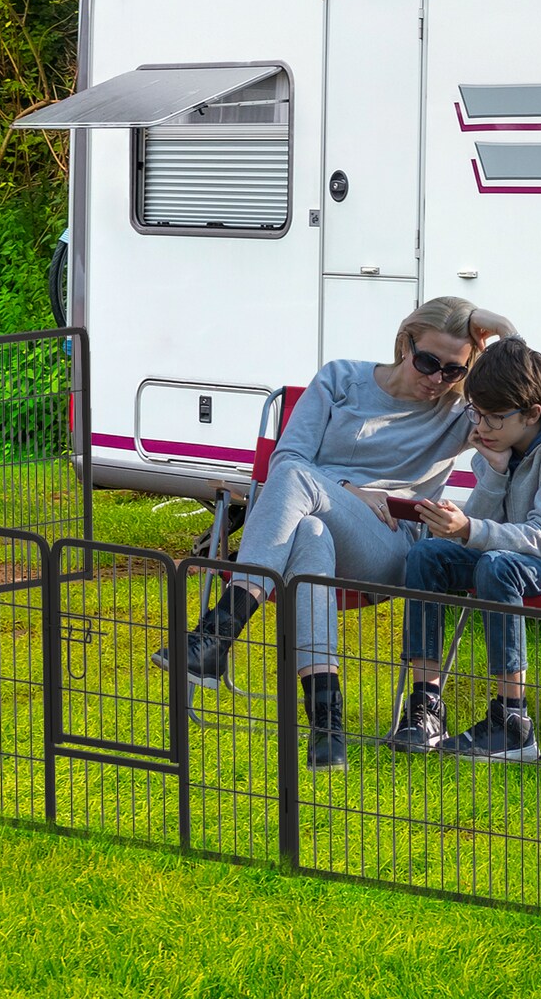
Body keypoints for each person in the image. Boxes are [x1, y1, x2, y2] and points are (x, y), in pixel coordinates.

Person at [152, 296, 517, 771]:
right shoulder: (341, 379)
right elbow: (288, 456)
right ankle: (327, 723)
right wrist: (348, 490)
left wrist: (503, 328)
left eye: (454, 370)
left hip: (389, 544)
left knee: (295, 481)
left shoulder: (457, 411)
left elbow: (519, 385)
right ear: (405, 342)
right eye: (429, 361)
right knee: (310, 528)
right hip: (308, 528)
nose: (438, 379)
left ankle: (217, 634)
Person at [389, 337, 541, 762]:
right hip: (518, 561)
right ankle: (425, 707)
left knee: (497, 565)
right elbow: (476, 530)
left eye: (493, 417)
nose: (481, 427)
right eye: (476, 412)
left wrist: (471, 528)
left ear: (532, 413)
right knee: (427, 555)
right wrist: (494, 479)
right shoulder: (502, 445)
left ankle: (512, 722)